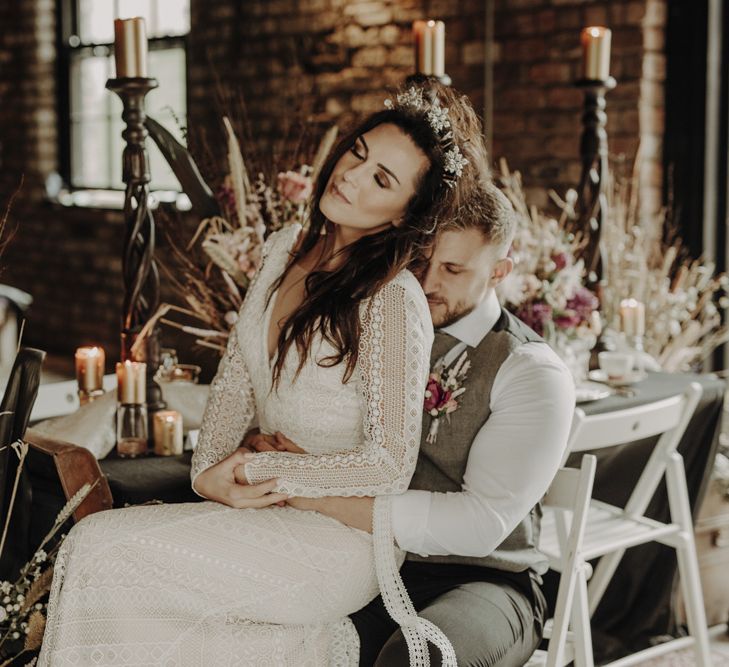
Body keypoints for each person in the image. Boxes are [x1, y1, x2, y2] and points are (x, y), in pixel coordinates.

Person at [38, 82, 488, 666]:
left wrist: (262, 467)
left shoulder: (391, 299)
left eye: (382, 179)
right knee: (96, 554)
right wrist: (209, 479)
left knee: (99, 549)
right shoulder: (282, 250)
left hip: (339, 543)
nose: (351, 176)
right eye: (358, 152)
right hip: (258, 509)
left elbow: (388, 463)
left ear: (406, 214)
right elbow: (233, 386)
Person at [270, 180, 575, 666]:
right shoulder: (372, 325)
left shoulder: (530, 371)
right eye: (418, 261)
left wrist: (315, 492)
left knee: (418, 658)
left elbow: (480, 526)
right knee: (269, 638)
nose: (427, 283)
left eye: (453, 269)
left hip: (484, 580)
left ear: (499, 271)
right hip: (362, 560)